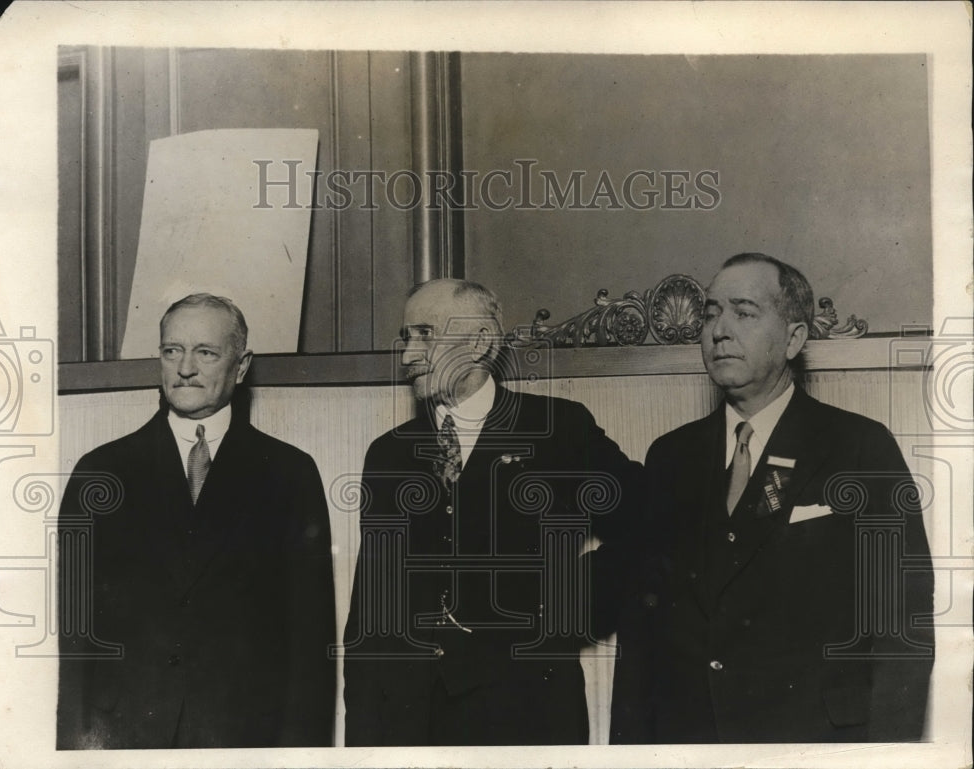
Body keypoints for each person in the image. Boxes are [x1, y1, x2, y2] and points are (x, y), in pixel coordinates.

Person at [610, 253, 934, 743]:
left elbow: (901, 624)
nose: (719, 329)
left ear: (794, 338)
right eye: (711, 312)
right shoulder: (670, 457)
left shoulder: (859, 447)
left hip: (813, 743)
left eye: (743, 312)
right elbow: (641, 636)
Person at [342, 278, 643, 746]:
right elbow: (370, 609)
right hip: (411, 722)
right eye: (406, 338)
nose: (407, 356)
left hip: (527, 714)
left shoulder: (559, 429)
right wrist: (362, 736)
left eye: (425, 334)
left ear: (481, 342)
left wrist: (571, 601)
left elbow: (646, 526)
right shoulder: (387, 454)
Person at [57, 293, 336, 749]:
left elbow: (310, 642)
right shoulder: (100, 472)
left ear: (242, 366)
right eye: (172, 351)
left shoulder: (289, 473)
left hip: (245, 739)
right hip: (126, 738)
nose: (185, 367)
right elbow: (75, 644)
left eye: (206, 352)